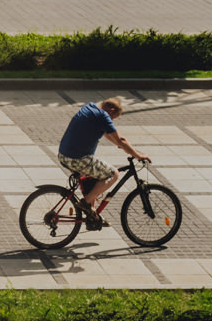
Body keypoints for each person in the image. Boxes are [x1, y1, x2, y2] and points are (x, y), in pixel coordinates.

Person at [56, 97, 148, 228]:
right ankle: (85, 203)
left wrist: (121, 145)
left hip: (64, 155)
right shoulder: (103, 116)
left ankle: (92, 217)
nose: (112, 120)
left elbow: (108, 134)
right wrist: (138, 155)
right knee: (113, 174)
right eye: (114, 118)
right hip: (77, 159)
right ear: (111, 110)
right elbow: (120, 139)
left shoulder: (90, 107)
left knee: (94, 181)